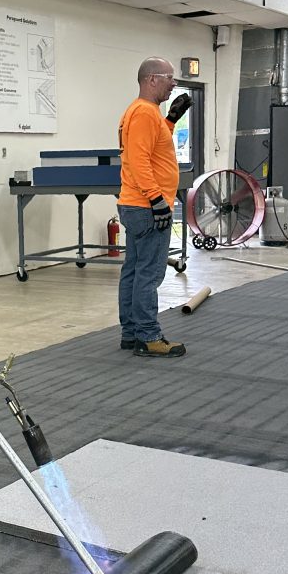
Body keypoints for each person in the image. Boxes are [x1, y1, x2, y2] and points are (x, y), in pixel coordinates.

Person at [116, 58, 187, 357]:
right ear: (152, 80)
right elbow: (139, 161)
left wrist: (170, 119)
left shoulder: (143, 113)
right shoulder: (144, 113)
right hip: (146, 206)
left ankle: (131, 332)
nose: (173, 83)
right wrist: (157, 200)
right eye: (169, 78)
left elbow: (153, 149)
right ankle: (148, 336)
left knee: (133, 270)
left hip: (135, 204)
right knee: (149, 273)